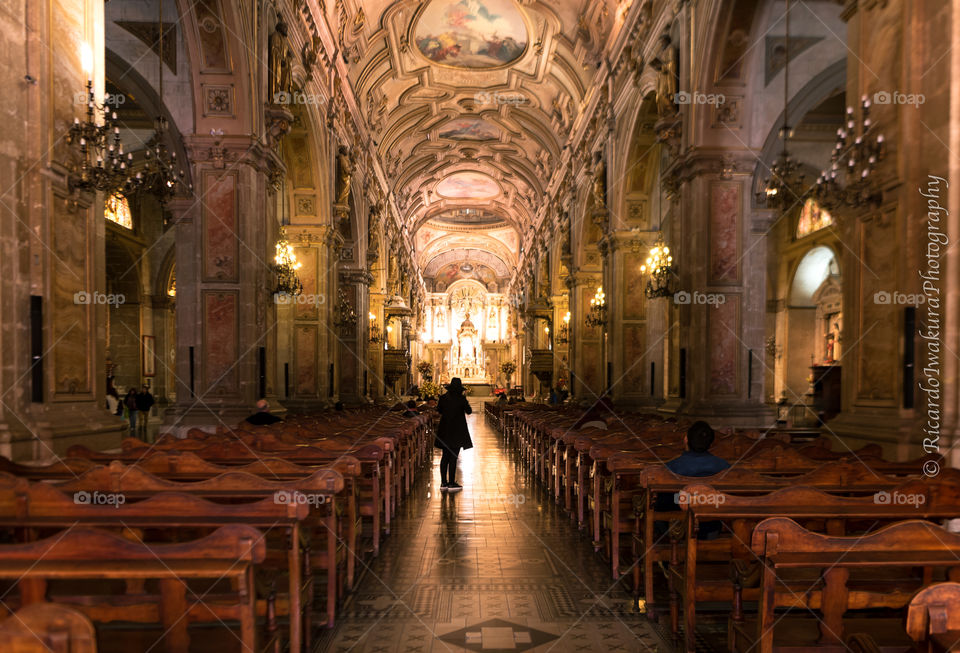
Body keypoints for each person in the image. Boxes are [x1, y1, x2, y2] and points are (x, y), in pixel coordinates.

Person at [655, 420, 730, 539]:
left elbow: (661, 501)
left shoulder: (671, 467)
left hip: (674, 528)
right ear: (711, 444)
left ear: (686, 440)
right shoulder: (724, 467)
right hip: (712, 528)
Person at [435, 377, 472, 493]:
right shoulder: (461, 398)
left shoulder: (443, 398)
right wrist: (464, 402)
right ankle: (451, 482)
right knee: (453, 456)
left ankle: (443, 483)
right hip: (457, 430)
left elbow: (439, 411)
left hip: (445, 429)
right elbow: (469, 411)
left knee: (445, 456)